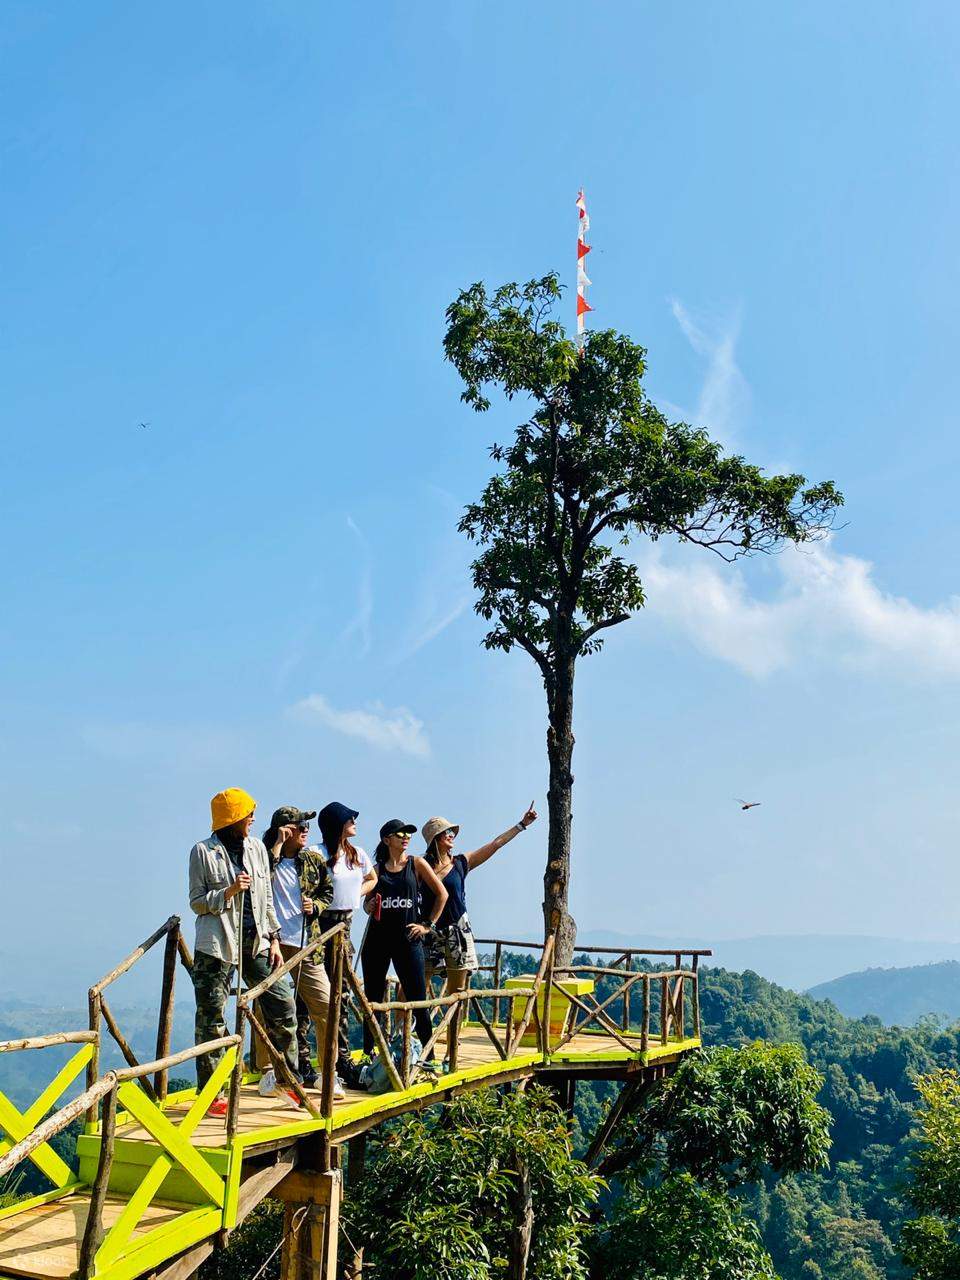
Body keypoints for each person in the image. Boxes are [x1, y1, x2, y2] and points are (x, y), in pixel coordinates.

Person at [188, 787, 302, 1115]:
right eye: (248, 814)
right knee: (210, 1018)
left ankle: (287, 1081)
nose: (253, 819)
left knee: (282, 1004)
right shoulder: (202, 852)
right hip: (217, 945)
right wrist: (228, 891)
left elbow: (265, 897)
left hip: (257, 943)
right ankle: (212, 1093)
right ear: (234, 818)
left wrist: (275, 939)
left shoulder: (256, 848)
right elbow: (196, 901)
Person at [257, 806, 344, 1100]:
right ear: (284, 829)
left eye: (307, 825)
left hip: (308, 943)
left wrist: (316, 907)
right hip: (272, 944)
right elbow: (256, 885)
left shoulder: (312, 860)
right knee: (266, 1008)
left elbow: (327, 892)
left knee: (325, 1005)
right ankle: (269, 1070)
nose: (306, 830)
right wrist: (277, 846)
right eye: (300, 825)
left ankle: (327, 1073)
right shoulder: (264, 858)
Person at [420, 805, 539, 998]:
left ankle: (452, 1028)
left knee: (456, 992)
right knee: (416, 984)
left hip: (457, 930)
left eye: (452, 832)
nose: (452, 835)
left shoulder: (460, 863)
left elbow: (495, 844)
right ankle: (406, 1027)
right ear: (436, 838)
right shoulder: (420, 866)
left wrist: (522, 824)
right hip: (428, 929)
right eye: (447, 832)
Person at [360, 819, 449, 1059]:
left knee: (418, 999)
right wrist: (368, 905)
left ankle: (429, 1057)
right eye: (400, 834)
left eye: (408, 833)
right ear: (387, 840)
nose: (405, 837)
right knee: (372, 1000)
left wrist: (427, 926)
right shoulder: (376, 870)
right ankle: (369, 1054)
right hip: (377, 941)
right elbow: (365, 904)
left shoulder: (417, 863)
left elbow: (442, 894)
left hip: (408, 940)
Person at [315, 801, 377, 1086]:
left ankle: (340, 1060)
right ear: (337, 823)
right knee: (319, 993)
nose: (355, 821)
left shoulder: (357, 853)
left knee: (340, 992)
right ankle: (314, 1061)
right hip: (321, 924)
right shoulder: (316, 853)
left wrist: (355, 897)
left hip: (346, 925)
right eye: (350, 818)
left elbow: (372, 878)